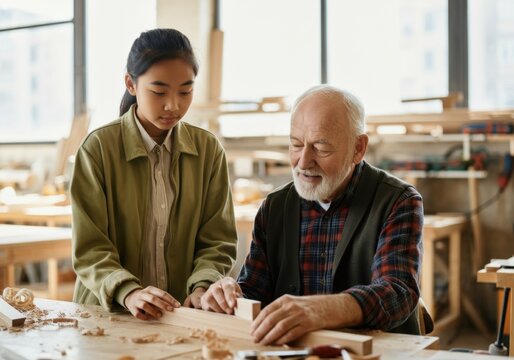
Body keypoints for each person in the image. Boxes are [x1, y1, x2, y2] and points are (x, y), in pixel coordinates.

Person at [200, 85, 424, 344]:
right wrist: (229, 295)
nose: (303, 162)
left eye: (321, 148)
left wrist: (321, 310)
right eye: (296, 145)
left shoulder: (398, 201)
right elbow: (254, 290)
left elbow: (397, 293)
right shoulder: (274, 207)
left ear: (358, 148)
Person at [71, 28, 237, 321]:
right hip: (108, 314)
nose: (173, 105)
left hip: (181, 317)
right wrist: (129, 292)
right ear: (130, 84)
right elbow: (90, 249)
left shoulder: (208, 150)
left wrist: (202, 286)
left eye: (185, 91)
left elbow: (217, 240)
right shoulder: (97, 149)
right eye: (159, 91)